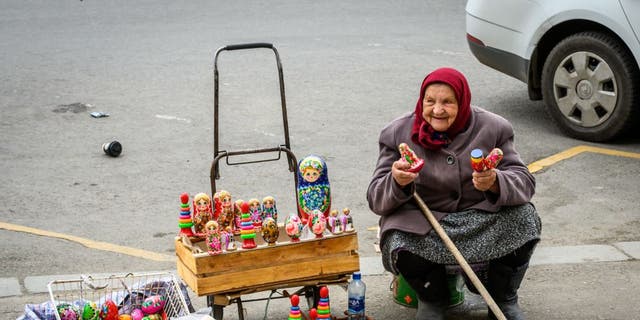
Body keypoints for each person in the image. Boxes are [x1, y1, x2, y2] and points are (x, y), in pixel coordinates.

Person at [367, 67, 541, 320]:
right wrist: (397, 181)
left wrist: (495, 182)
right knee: (395, 235)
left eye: (447, 102)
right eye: (430, 101)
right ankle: (432, 298)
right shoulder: (396, 133)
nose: (437, 110)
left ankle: (502, 297)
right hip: (427, 222)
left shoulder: (494, 128)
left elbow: (525, 183)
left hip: (480, 218)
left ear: (463, 101)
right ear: (421, 101)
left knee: (525, 219)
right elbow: (375, 197)